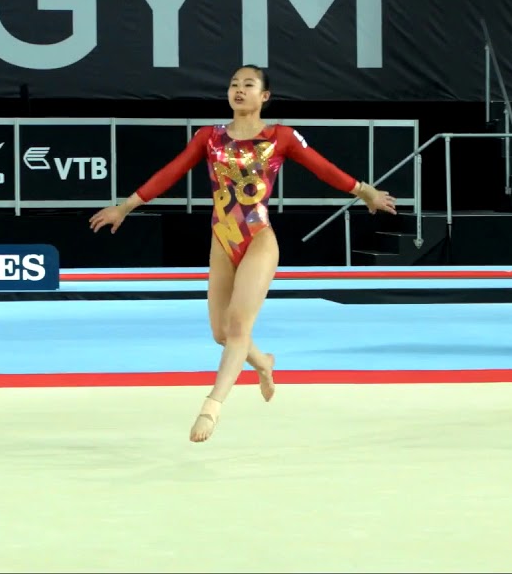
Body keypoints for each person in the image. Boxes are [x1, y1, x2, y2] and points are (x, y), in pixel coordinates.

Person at [88, 65, 397, 443]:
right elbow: (170, 172)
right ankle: (263, 362)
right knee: (221, 333)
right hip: (222, 240)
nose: (238, 89)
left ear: (264, 96)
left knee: (238, 327)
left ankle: (211, 407)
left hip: (259, 240)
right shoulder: (209, 137)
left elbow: (323, 168)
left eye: (248, 85)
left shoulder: (280, 136)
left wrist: (365, 191)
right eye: (234, 84)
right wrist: (124, 207)